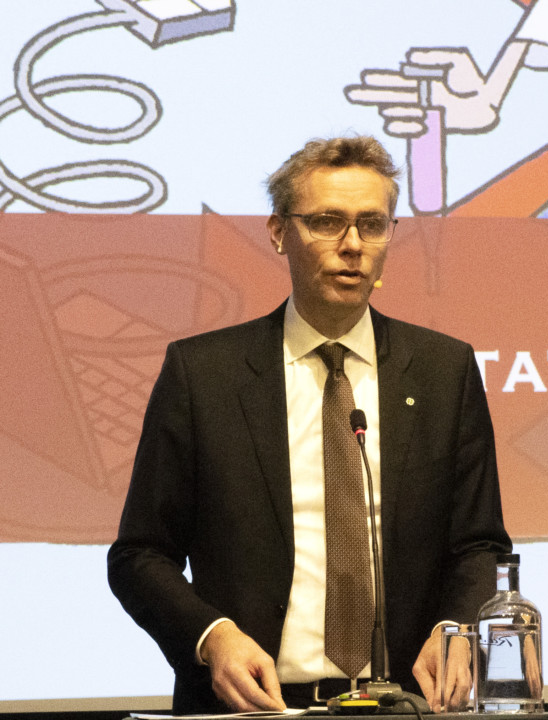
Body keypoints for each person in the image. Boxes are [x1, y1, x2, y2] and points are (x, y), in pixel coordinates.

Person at [107, 136, 511, 714]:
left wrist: (456, 628)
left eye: (373, 225)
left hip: (405, 706)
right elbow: (140, 555)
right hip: (255, 708)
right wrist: (211, 637)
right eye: (327, 222)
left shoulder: (444, 370)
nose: (353, 245)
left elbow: (479, 543)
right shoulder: (203, 374)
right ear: (278, 231)